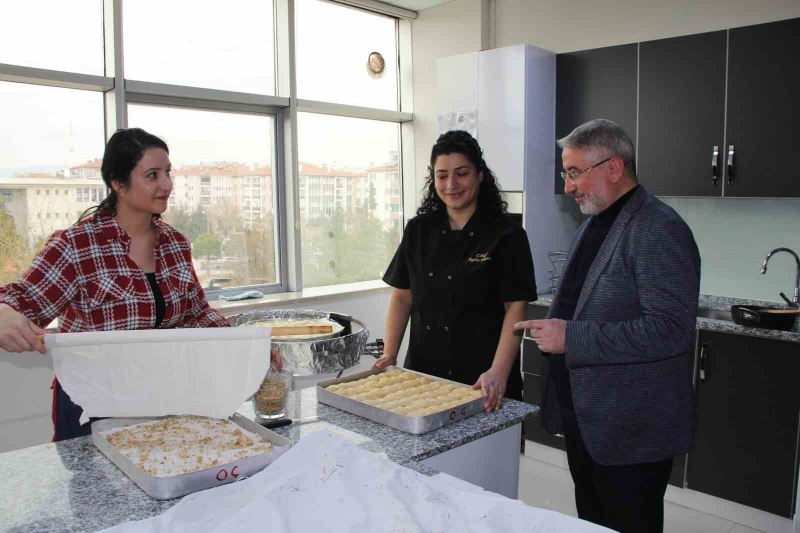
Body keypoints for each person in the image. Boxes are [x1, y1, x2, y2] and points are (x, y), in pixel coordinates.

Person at [514, 119, 700, 533]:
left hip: (631, 431)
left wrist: (570, 336)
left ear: (614, 168)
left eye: (575, 172)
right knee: (594, 523)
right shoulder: (594, 224)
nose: (568, 186)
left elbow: (670, 330)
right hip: (590, 421)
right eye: (566, 173)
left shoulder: (658, 228)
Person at [0, 128, 229, 441]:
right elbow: (20, 301)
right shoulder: (77, 246)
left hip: (161, 396)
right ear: (118, 184)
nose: (166, 185)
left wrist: (251, 343)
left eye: (168, 173)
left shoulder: (175, 244)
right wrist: (4, 312)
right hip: (92, 404)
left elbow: (196, 315)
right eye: (152, 175)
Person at [374, 130, 537, 411]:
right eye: (442, 175)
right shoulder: (418, 230)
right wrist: (390, 354)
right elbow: (402, 297)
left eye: (461, 173)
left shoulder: (507, 234)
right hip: (423, 378)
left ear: (479, 175)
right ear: (433, 179)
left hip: (483, 379)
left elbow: (516, 309)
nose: (451, 184)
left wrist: (498, 372)